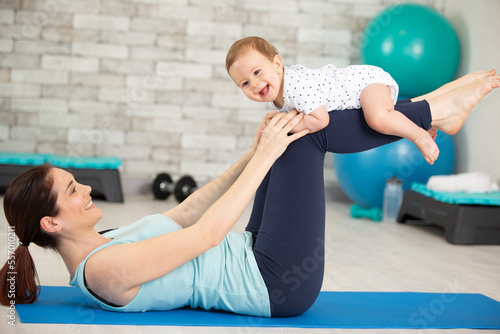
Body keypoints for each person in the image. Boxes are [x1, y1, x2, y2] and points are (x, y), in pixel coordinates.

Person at [1, 72, 499, 318]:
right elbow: (205, 234)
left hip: (256, 255)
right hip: (274, 284)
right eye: (72, 189)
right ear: (51, 223)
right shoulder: (103, 271)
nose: (85, 187)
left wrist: (255, 150)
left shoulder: (106, 242)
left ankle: (432, 111)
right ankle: (432, 114)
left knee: (290, 138)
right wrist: (268, 155)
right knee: (311, 136)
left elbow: (189, 210)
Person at [226, 36, 497, 165]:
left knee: (378, 118)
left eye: (258, 72)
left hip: (363, 83)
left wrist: (288, 125)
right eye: (245, 83)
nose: (256, 84)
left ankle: (420, 135)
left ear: (277, 64)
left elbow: (321, 119)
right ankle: (440, 107)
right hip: (355, 91)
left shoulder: (294, 85)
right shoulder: (275, 94)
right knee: (388, 114)